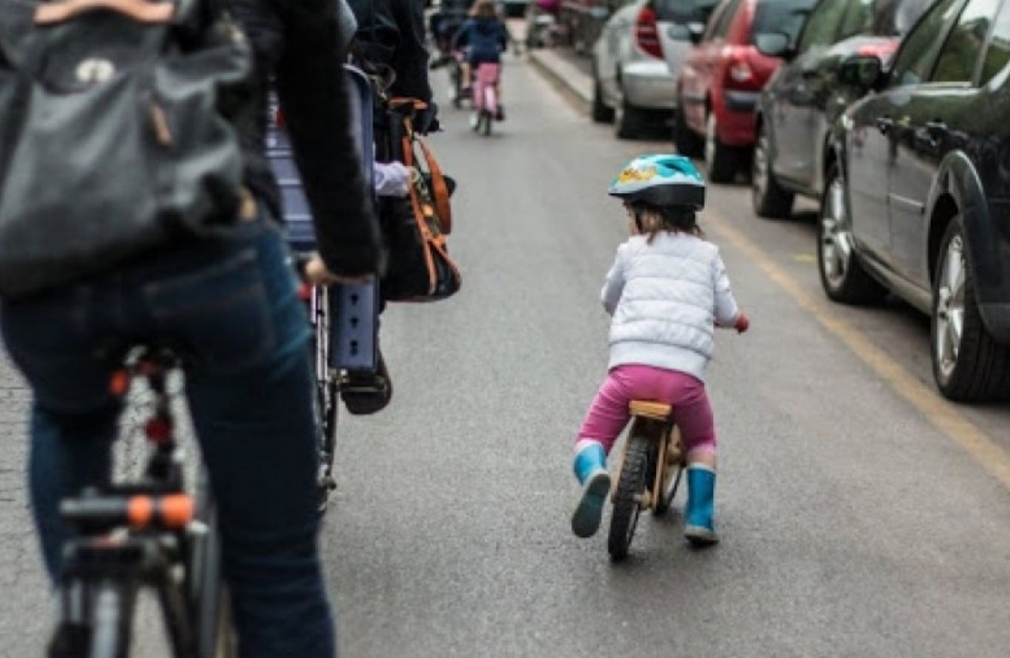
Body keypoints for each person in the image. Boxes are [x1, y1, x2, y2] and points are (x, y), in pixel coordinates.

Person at [0, 1, 382, 656]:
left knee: (69, 414)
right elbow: (321, 118)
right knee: (275, 566)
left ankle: (85, 608)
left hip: (46, 257)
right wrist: (351, 255)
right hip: (210, 254)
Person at [570, 154, 749, 546]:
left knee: (590, 436)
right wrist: (737, 320)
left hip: (629, 372)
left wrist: (623, 311)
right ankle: (700, 517)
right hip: (684, 379)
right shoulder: (709, 256)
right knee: (702, 443)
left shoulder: (630, 251)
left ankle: (595, 472)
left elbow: (608, 298)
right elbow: (724, 309)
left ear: (643, 214)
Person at [452, 0, 509, 120]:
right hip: (493, 55)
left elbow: (458, 39)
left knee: (466, 63)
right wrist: (502, 48)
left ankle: (467, 83)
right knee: (495, 81)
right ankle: (497, 103)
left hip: (475, 54)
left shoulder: (469, 24)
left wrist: (457, 48)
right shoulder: (498, 24)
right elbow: (503, 41)